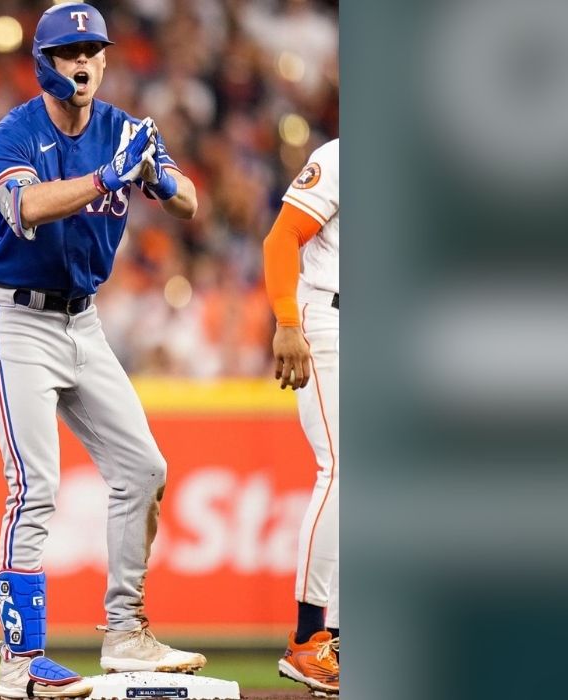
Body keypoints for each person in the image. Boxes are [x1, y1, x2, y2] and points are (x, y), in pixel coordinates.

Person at [0, 4, 204, 698]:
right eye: (70, 49)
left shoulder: (122, 129)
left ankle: (125, 634)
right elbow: (24, 210)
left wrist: (159, 177)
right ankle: (21, 667)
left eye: (93, 49)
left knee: (144, 468)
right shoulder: (11, 132)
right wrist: (109, 178)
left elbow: (191, 202)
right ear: (45, 61)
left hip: (84, 322)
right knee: (34, 488)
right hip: (16, 320)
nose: (84, 60)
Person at [262, 137, 341, 696]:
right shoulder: (344, 155)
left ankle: (335, 637)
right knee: (342, 469)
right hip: (327, 315)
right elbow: (282, 237)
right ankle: (308, 638)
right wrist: (287, 321)